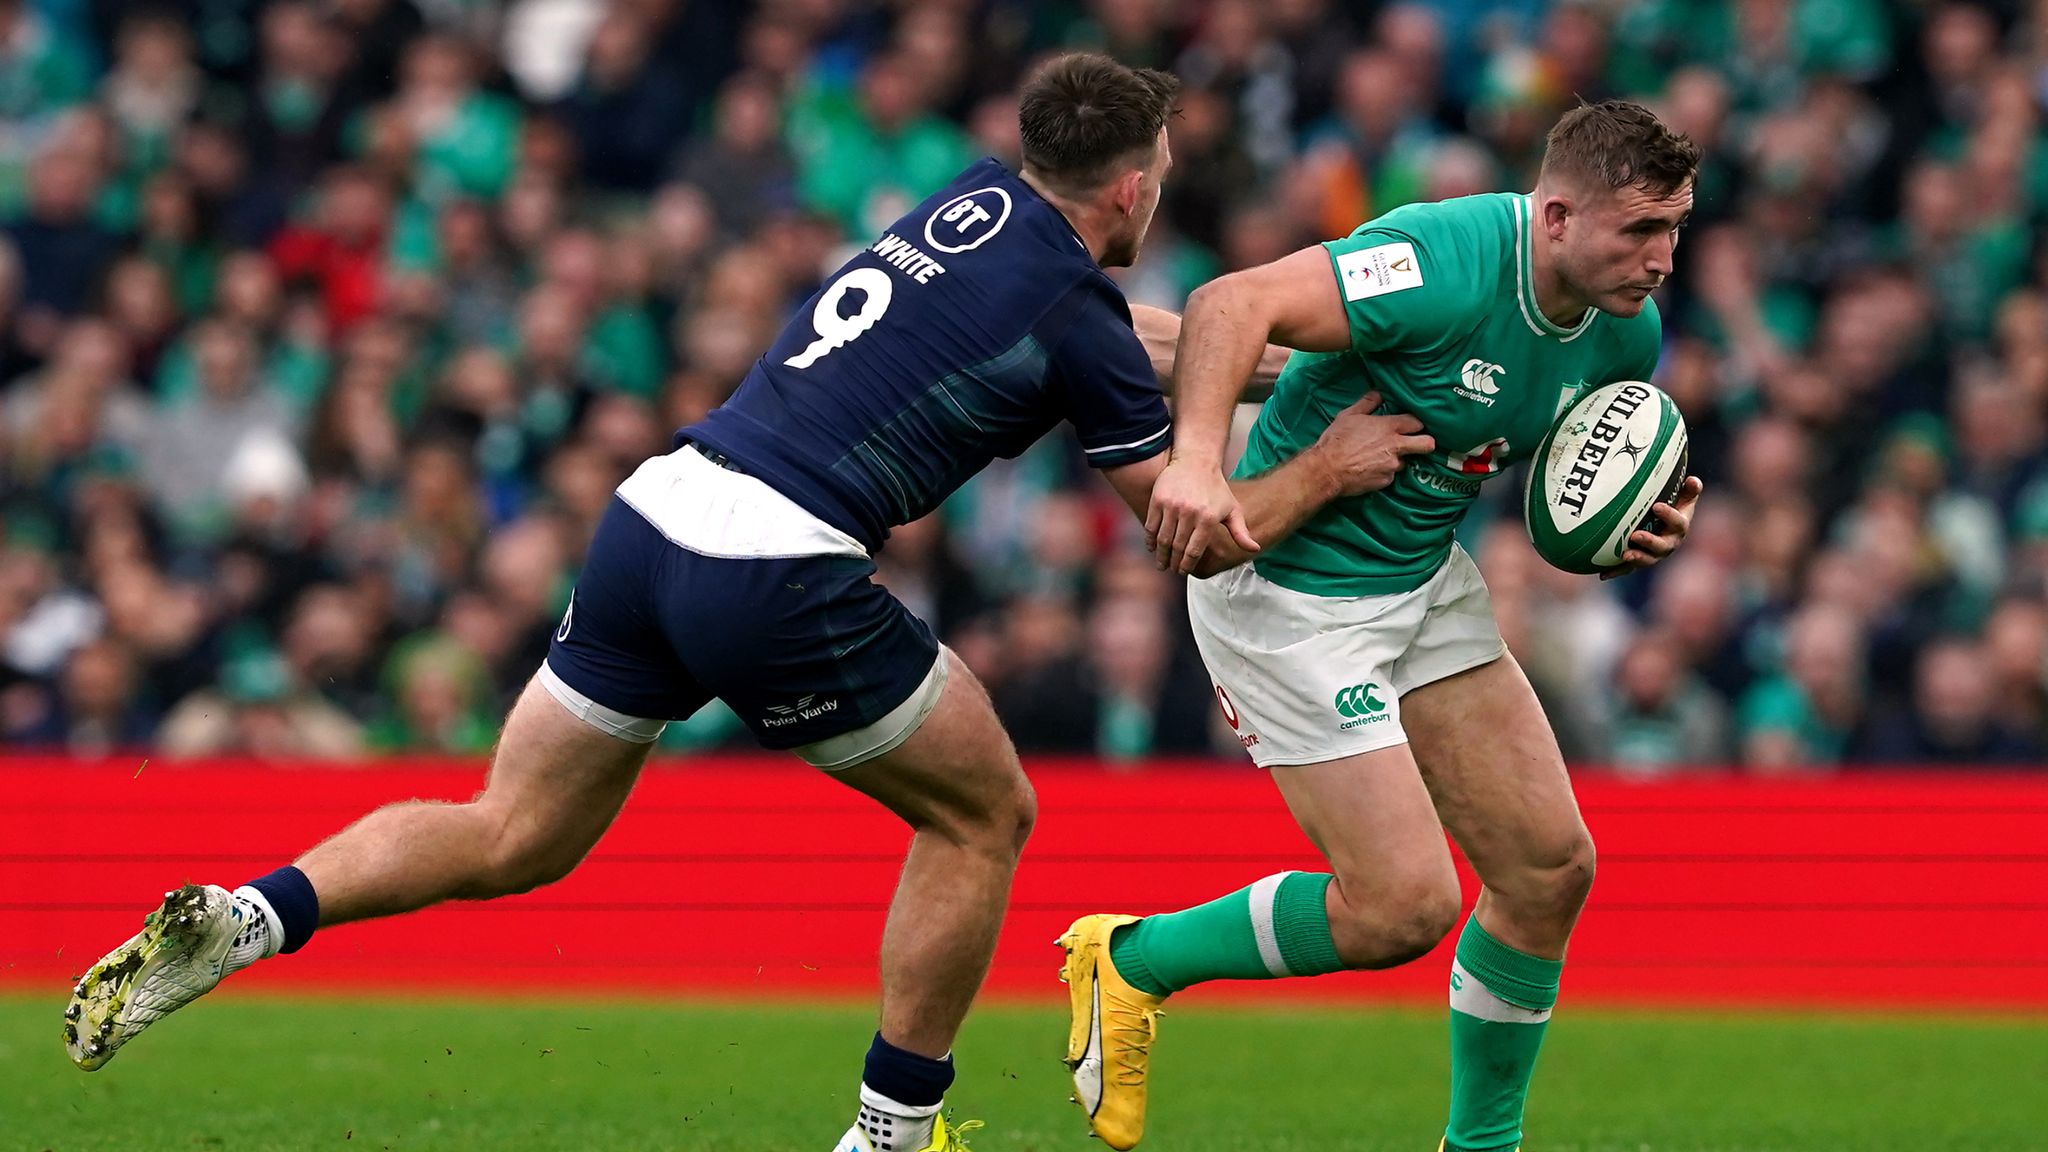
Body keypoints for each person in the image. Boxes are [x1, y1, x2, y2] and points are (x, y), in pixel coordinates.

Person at [64, 54, 1432, 1152]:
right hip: (775, 561)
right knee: (986, 814)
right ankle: (892, 1134)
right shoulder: (1075, 309)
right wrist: (1329, 458)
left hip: (658, 511)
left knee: (512, 830)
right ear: (1133, 186)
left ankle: (252, 915)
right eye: (1164, 177)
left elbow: (1122, 346)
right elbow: (1191, 535)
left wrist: (1248, 361)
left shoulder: (975, 205)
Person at [1059, 100, 1707, 1152]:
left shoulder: (1626, 334)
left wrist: (1631, 518)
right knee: (1402, 908)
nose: (1661, 257)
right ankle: (1130, 962)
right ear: (1551, 217)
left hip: (1419, 581)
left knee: (1549, 869)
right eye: (1637, 229)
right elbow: (1232, 303)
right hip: (1286, 598)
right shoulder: (1439, 258)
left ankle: (1478, 1148)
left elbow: (1537, 462)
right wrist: (1190, 462)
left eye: (1674, 227)